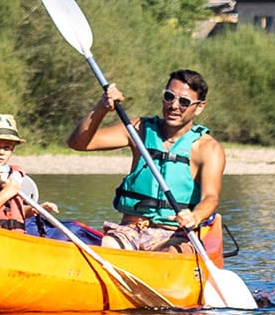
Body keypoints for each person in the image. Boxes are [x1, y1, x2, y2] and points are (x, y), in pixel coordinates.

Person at [67, 69, 224, 254]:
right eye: (169, 97)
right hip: (130, 230)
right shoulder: (138, 129)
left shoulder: (208, 149)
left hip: (175, 235)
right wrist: (101, 108)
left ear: (199, 107)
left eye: (184, 102)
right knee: (108, 247)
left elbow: (210, 198)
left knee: (169, 255)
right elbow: (79, 143)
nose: (174, 106)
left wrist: (195, 216)